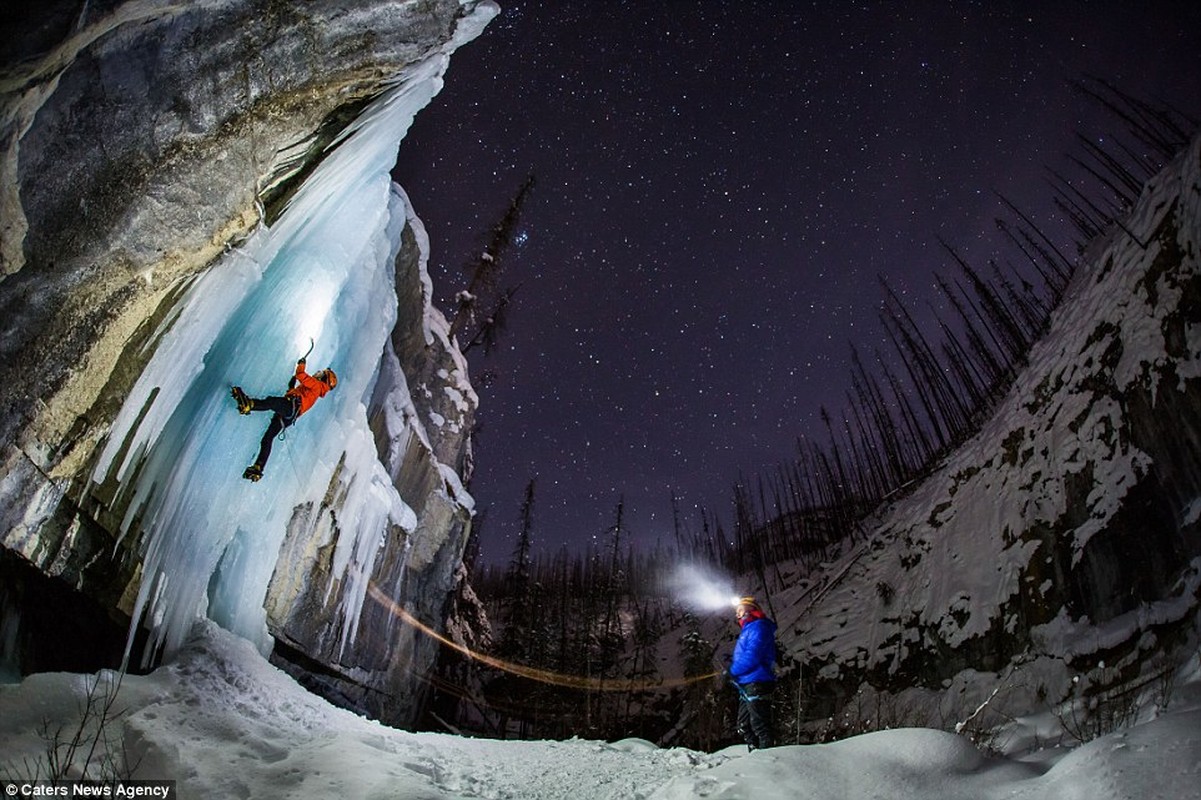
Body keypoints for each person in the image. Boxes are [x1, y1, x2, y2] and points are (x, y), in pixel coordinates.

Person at [230, 357, 337, 482]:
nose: (318, 372)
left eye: (322, 373)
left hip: (291, 407)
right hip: (290, 416)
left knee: (271, 402)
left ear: (324, 379)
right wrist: (291, 387)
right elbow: (300, 394)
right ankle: (258, 468)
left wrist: (302, 364)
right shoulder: (315, 390)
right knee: (267, 438)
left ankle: (249, 405)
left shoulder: (317, 385)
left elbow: (300, 374)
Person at [729, 595, 777, 750]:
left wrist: (733, 670)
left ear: (751, 610)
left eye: (741, 610)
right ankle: (754, 759)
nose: (738, 614)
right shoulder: (748, 629)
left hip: (758, 681)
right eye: (737, 611)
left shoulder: (759, 627)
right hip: (746, 683)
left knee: (760, 725)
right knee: (743, 726)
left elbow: (753, 655)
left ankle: (766, 763)